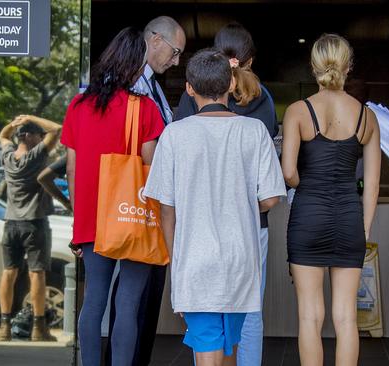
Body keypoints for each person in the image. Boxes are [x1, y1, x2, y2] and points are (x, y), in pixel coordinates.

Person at [144, 49, 286, 366]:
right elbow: (271, 198)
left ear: (190, 88)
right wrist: (238, 199)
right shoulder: (254, 132)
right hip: (241, 259)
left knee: (208, 349)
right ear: (229, 85)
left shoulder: (174, 135)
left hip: (194, 260)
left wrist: (174, 264)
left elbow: (167, 210)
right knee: (229, 347)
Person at [173, 22, 277, 366]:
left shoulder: (180, 126)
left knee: (205, 330)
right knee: (247, 315)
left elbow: (169, 196)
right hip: (246, 233)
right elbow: (271, 193)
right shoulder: (262, 105)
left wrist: (174, 252)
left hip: (196, 234)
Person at [60, 27, 164, 366]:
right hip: (131, 215)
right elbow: (151, 166)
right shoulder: (144, 109)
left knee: (94, 302)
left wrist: (80, 219)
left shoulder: (78, 105)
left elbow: (71, 170)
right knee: (128, 305)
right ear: (135, 65)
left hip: (92, 216)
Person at [282, 34, 381, 365]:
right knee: (346, 319)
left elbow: (288, 173)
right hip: (349, 219)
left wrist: (303, 181)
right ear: (348, 66)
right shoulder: (366, 116)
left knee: (310, 317)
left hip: (308, 215)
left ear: (313, 66)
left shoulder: (298, 110)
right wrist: (364, 228)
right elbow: (372, 185)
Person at [106, 16, 186, 366]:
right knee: (133, 298)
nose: (176, 60)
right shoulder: (128, 85)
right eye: (175, 51)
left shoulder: (152, 87)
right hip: (137, 198)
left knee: (145, 296)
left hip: (151, 200)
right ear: (155, 40)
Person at [0, 114, 62, 342]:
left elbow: (3, 135)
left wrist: (14, 124)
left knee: (9, 272)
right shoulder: (35, 156)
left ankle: (4, 328)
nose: (41, 138)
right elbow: (56, 129)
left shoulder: (8, 156)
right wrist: (29, 117)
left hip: (10, 223)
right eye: (38, 135)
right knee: (37, 273)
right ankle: (38, 327)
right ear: (31, 136)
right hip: (34, 222)